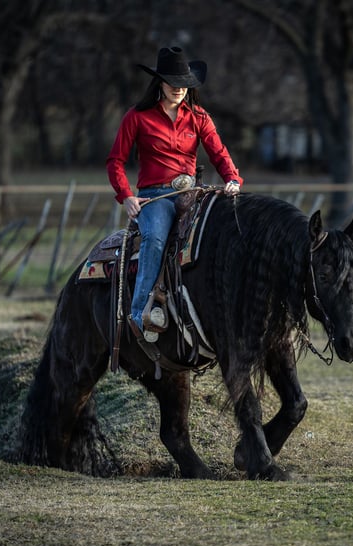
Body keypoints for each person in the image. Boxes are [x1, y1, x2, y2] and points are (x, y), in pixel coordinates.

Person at [106, 46, 243, 342]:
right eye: (172, 81)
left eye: (183, 82)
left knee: (223, 233)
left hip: (192, 192)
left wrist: (232, 178)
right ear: (159, 83)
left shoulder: (199, 116)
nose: (178, 88)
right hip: (155, 195)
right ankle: (140, 313)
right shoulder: (137, 117)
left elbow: (218, 153)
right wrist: (127, 196)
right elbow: (115, 160)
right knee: (155, 238)